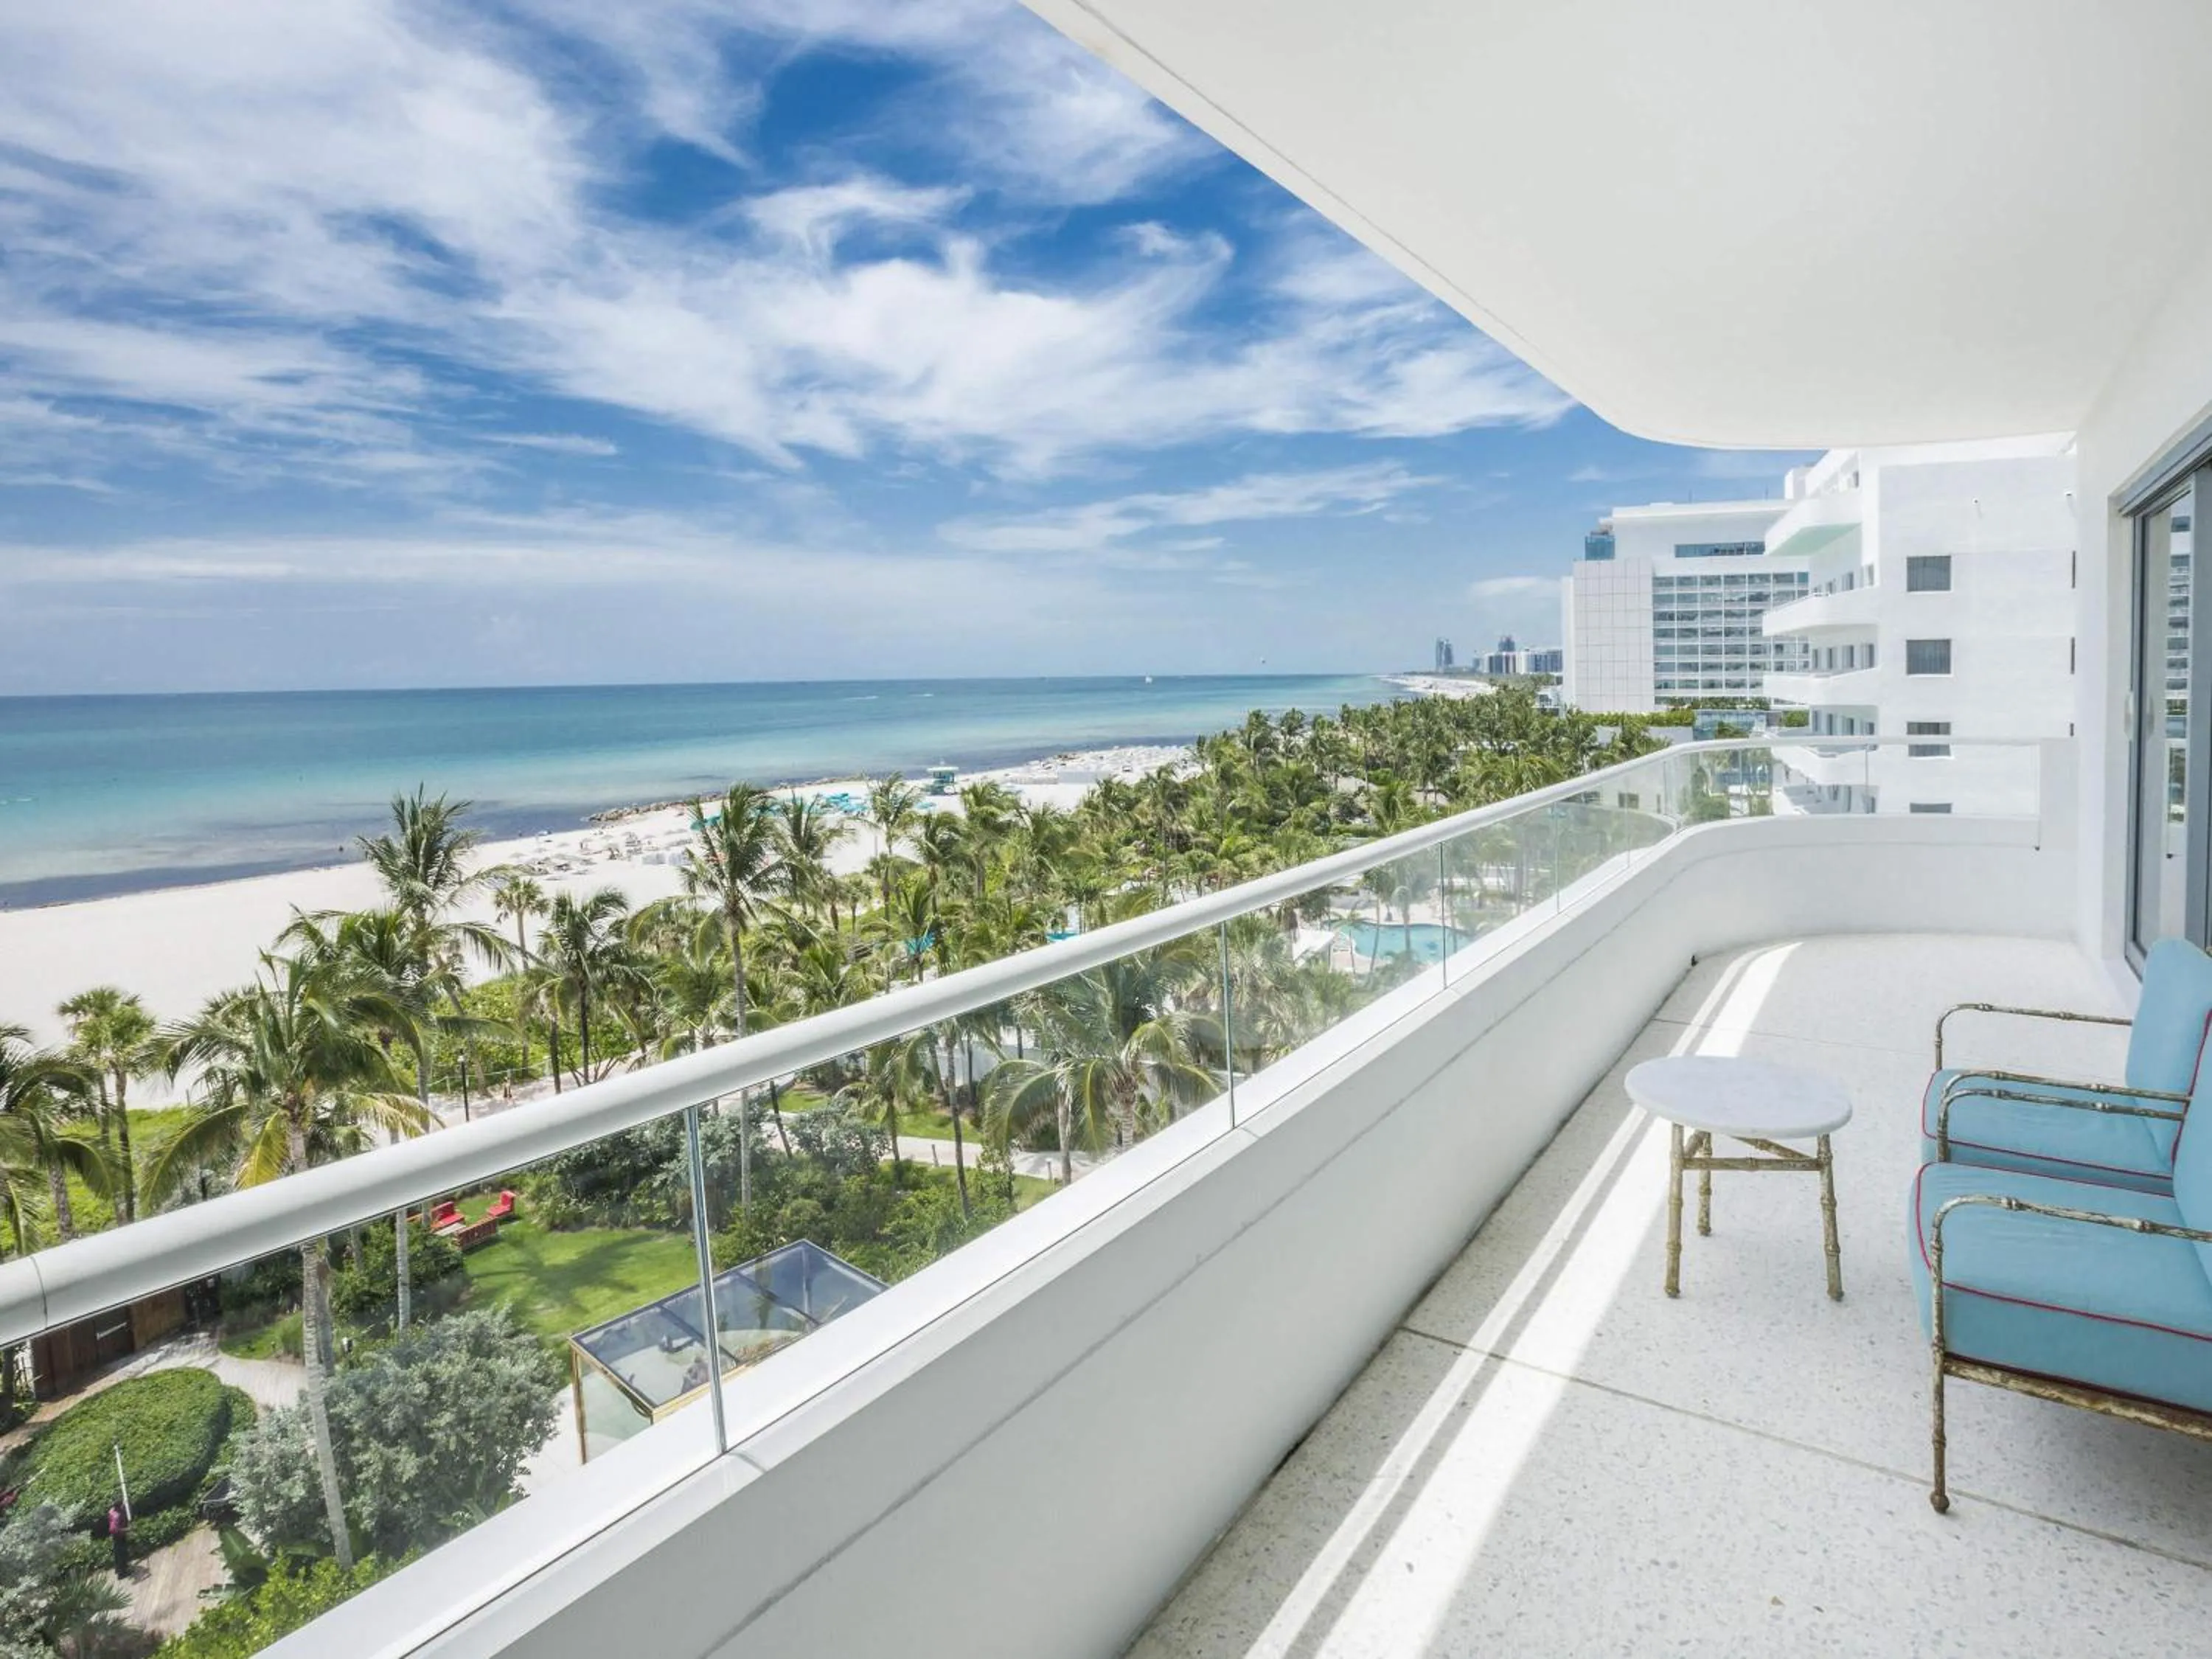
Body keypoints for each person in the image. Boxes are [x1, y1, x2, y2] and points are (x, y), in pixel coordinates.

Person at [108, 1504, 128, 1576]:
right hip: (119, 1536)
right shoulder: (118, 1516)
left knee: (117, 1553)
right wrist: (128, 1529)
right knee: (121, 1554)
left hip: (115, 1536)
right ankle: (122, 1573)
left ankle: (118, 1569)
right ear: (118, 1507)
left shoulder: (111, 1511)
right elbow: (117, 1529)